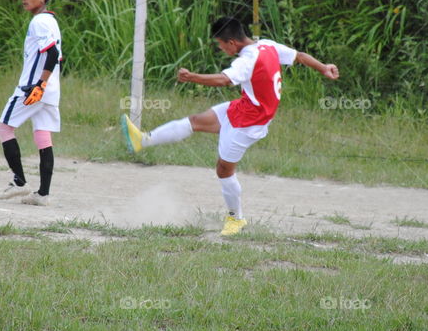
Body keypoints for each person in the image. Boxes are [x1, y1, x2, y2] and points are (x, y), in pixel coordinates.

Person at [121, 16, 339, 235]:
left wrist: (191, 77)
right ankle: (142, 140)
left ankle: (236, 218)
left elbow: (225, 80)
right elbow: (299, 56)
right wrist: (323, 68)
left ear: (231, 43)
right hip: (243, 107)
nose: (221, 48)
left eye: (220, 44)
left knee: (224, 170)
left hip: (249, 122)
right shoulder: (267, 45)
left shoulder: (247, 60)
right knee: (196, 121)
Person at [0, 0, 62, 206]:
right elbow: (55, 56)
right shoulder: (51, 21)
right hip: (50, 90)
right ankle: (42, 195)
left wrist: (39, 84)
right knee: (43, 136)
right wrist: (46, 85)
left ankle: (20, 182)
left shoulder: (39, 22)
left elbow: (52, 54)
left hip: (33, 89)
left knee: (4, 129)